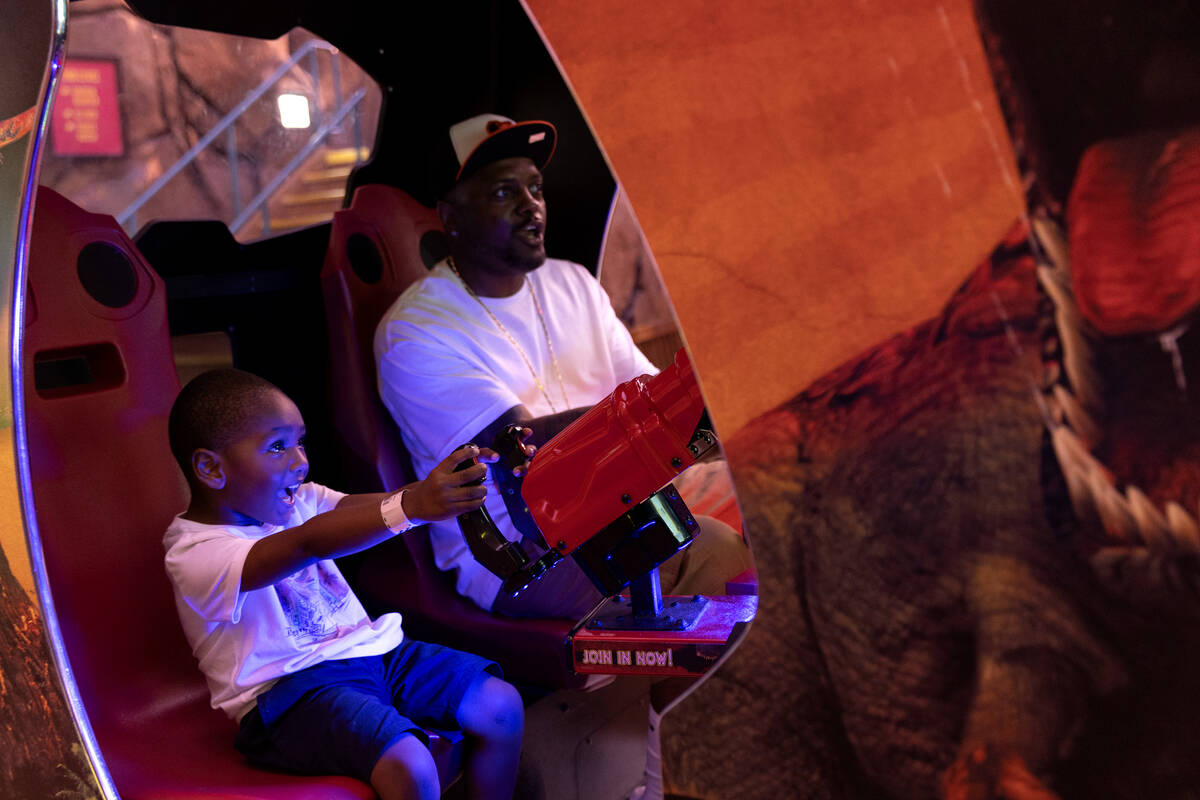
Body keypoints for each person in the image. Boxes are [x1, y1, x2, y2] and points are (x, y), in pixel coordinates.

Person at [375, 113, 753, 619]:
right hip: (529, 552)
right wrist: (679, 398)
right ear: (451, 216)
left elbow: (652, 393)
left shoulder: (572, 282)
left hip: (627, 495)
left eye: (535, 188)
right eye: (505, 194)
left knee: (783, 490)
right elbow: (520, 459)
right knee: (712, 546)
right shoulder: (415, 331)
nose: (532, 207)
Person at [163, 368, 523, 800]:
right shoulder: (194, 551)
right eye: (277, 447)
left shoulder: (301, 500)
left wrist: (441, 487)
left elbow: (368, 509)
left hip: (374, 655)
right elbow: (306, 545)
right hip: (292, 696)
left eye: (300, 443)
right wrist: (413, 505)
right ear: (210, 468)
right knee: (410, 763)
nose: (300, 461)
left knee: (501, 706)